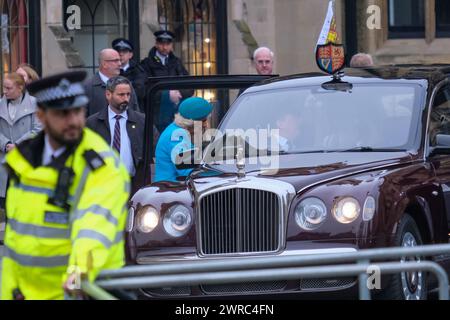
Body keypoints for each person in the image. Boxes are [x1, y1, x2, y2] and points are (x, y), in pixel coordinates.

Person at [0, 71, 130, 300]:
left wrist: (79, 274)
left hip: (79, 291)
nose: (73, 120)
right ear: (41, 116)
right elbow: (15, 238)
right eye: (62, 113)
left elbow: (94, 226)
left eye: (78, 111)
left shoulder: (101, 165)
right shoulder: (23, 160)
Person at [86, 76, 154, 194]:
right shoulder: (93, 123)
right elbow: (85, 152)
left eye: (128, 94)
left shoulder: (142, 121)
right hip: (103, 184)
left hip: (135, 184)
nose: (126, 99)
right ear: (108, 95)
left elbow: (154, 145)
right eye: (121, 95)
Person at [0, 73, 42, 208]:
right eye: (4, 88)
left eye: (8, 88)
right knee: (7, 205)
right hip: (5, 161)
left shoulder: (35, 103)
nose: (4, 91)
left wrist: (18, 145)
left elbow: (39, 129)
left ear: (20, 88)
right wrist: (5, 144)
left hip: (27, 159)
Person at [140, 30, 193, 133]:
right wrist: (167, 94)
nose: (165, 47)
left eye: (168, 44)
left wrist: (178, 93)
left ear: (171, 45)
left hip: (176, 114)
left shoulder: (177, 63)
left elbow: (190, 86)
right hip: (157, 114)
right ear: (156, 44)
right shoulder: (146, 64)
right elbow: (144, 90)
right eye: (162, 44)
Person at [155, 97, 212, 183]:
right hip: (171, 190)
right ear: (191, 122)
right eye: (203, 121)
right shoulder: (175, 137)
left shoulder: (180, 131)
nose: (206, 125)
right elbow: (189, 171)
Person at [83, 48, 140, 116]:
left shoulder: (126, 84)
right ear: (104, 64)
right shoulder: (87, 87)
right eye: (115, 61)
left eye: (119, 60)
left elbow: (135, 113)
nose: (119, 64)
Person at [112, 38, 147, 108]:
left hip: (133, 109)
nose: (121, 54)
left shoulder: (138, 71)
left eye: (124, 51)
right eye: (118, 51)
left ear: (130, 55)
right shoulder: (110, 70)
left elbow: (139, 93)